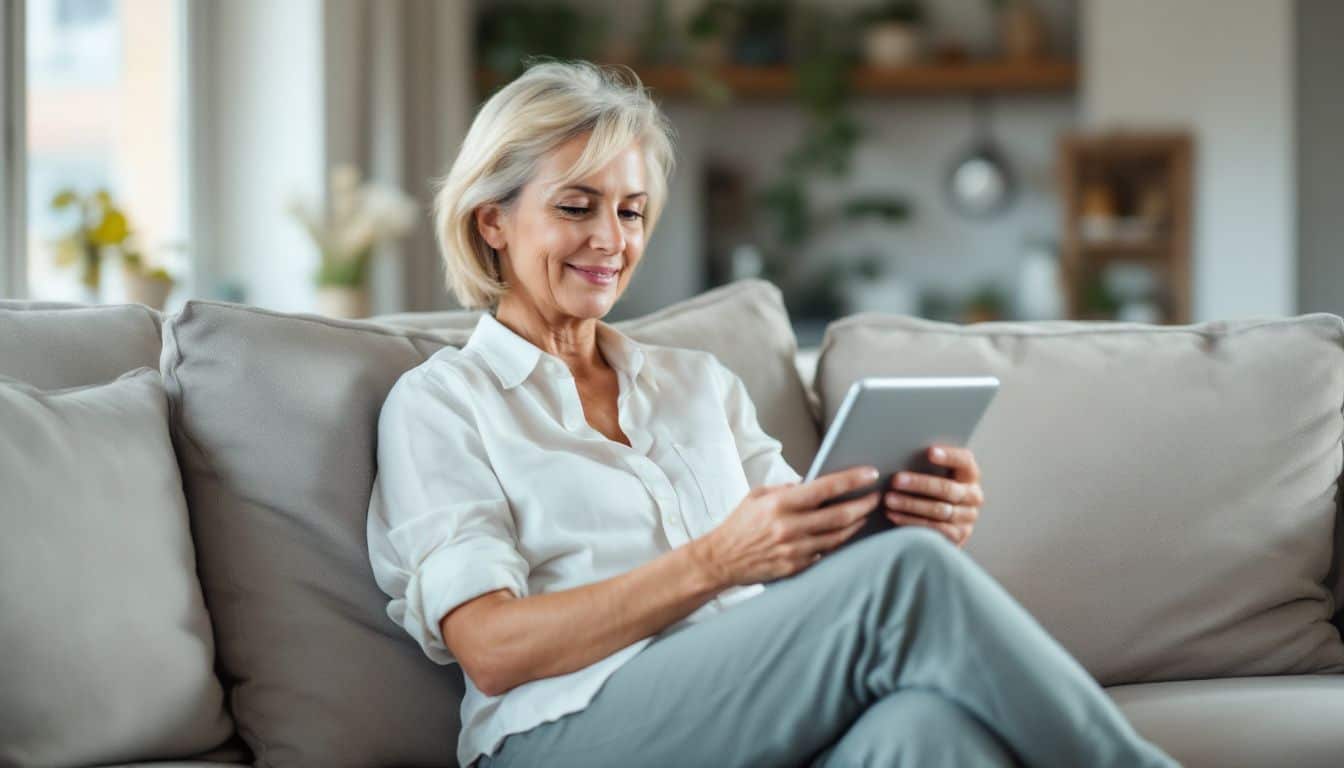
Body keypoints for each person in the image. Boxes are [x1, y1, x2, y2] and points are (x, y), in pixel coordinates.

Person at [365, 59, 1179, 768]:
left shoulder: (699, 385)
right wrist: (715, 564)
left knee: (924, 730)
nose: (610, 239)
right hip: (561, 735)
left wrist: (910, 523)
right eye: (577, 207)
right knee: (908, 582)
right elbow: (493, 650)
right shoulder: (442, 405)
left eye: (632, 210)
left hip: (758, 716)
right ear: (493, 221)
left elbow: (816, 569)